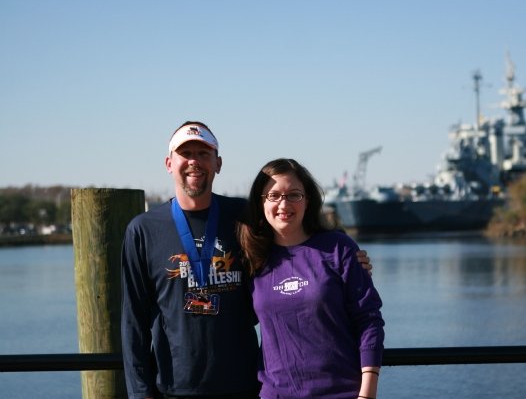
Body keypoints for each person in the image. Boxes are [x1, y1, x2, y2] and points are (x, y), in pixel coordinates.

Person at [121, 121, 374, 399]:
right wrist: (140, 393)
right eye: (186, 153)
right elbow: (134, 321)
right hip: (173, 388)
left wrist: (348, 259)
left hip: (245, 386)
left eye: (204, 154)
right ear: (169, 163)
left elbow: (295, 233)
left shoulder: (244, 217)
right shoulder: (143, 230)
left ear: (218, 163)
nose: (195, 161)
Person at [237, 158, 385, 399]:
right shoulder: (252, 259)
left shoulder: (339, 249)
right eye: (273, 196)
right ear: (261, 203)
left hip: (341, 393)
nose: (283, 204)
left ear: (307, 201)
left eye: (294, 195)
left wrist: (367, 393)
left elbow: (369, 320)